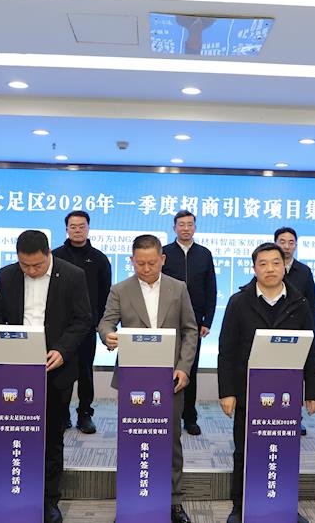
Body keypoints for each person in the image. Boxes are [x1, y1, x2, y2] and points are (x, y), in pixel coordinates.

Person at [0, 230, 92, 523]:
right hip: (15, 371)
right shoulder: (7, 275)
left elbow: (83, 320)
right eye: (25, 265)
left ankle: (48, 500)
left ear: (48, 255)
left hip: (55, 369)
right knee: (10, 435)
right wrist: (9, 344)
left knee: (51, 438)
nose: (31, 271)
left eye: (37, 265)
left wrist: (62, 350)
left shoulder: (72, 275)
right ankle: (7, 497)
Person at [217, 242, 315, 523]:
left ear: (284, 266)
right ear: (254, 268)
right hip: (247, 389)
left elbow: (311, 349)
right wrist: (227, 392)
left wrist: (312, 391)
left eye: (276, 262)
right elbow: (226, 350)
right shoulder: (239, 302)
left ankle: (285, 506)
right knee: (244, 451)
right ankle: (240, 506)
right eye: (263, 264)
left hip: (286, 392)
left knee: (284, 449)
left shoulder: (299, 303)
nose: (270, 269)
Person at [100, 234, 199, 523]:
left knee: (171, 441)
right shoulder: (120, 289)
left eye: (152, 263)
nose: (146, 268)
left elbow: (190, 330)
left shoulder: (178, 288)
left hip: (170, 377)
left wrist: (184, 367)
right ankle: (130, 502)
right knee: (133, 440)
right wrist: (107, 335)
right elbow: (106, 321)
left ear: (162, 259)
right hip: (133, 378)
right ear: (132, 260)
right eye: (140, 263)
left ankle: (174, 502)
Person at [52, 210, 111, 434]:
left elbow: (106, 294)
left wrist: (101, 323)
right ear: (66, 229)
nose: (77, 230)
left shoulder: (99, 259)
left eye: (81, 226)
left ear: (88, 228)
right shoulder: (54, 257)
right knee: (60, 372)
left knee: (85, 372)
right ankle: (62, 414)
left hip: (87, 327)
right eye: (73, 226)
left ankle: (85, 414)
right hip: (59, 328)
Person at [161, 210, 216, 436]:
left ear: (195, 227)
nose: (186, 228)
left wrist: (207, 320)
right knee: (166, 368)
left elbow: (211, 289)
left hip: (194, 322)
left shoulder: (204, 254)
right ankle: (165, 413)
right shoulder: (164, 253)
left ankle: (189, 417)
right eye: (181, 224)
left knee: (190, 368)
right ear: (174, 228)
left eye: (190, 224)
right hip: (167, 321)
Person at [274, 226, 315, 436]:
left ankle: (295, 417)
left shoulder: (304, 271)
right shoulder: (269, 269)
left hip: (297, 333)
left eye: (291, 242)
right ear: (275, 243)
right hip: (272, 332)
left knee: (294, 377)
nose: (287, 246)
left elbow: (312, 305)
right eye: (282, 242)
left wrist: (310, 333)